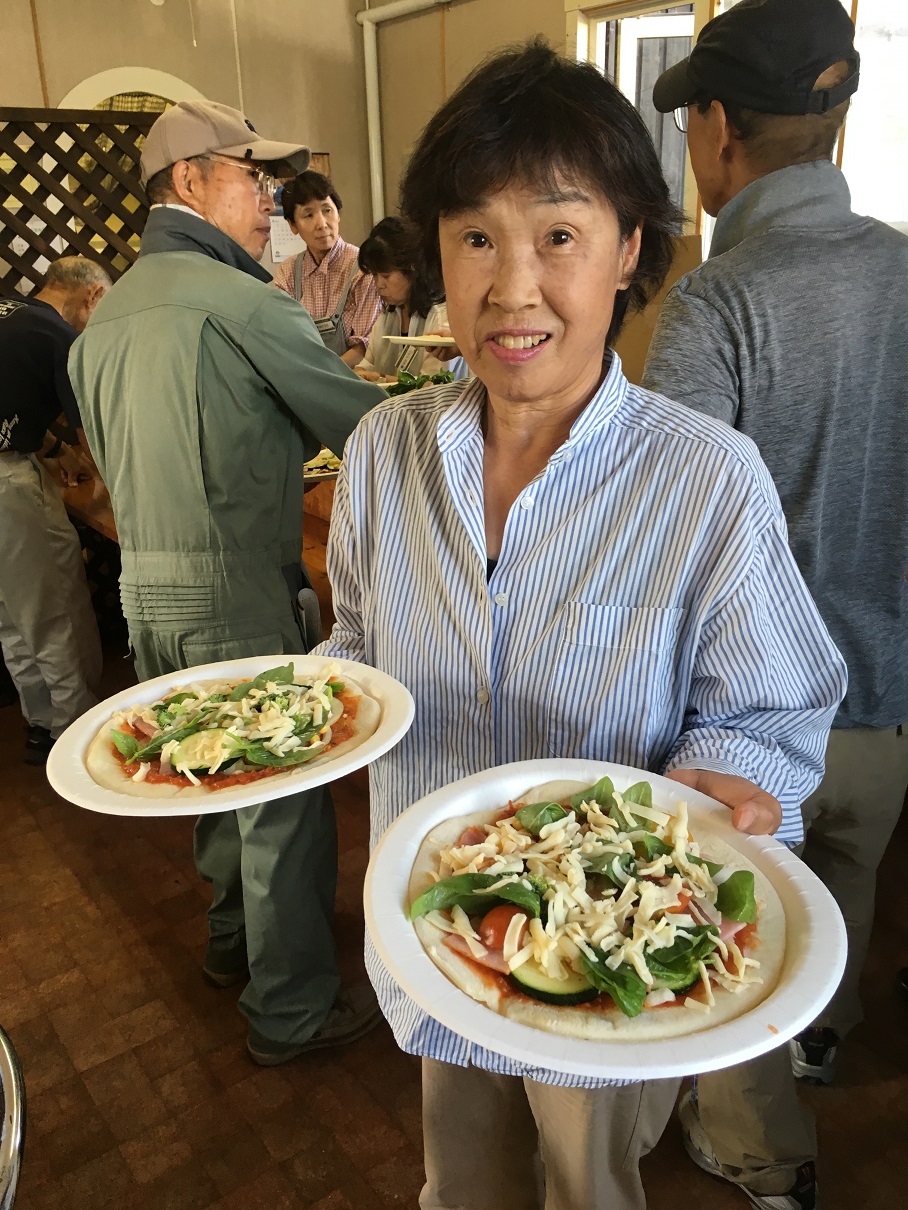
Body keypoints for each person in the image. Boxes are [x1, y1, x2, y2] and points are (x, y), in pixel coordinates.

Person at [313, 41, 846, 1210]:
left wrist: (731, 773)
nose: (511, 288)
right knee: (460, 1184)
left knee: (588, 1189)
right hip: (434, 930)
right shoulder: (383, 449)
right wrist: (311, 714)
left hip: (604, 957)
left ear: (629, 248)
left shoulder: (705, 476)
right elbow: (356, 650)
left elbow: (768, 715)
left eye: (556, 233)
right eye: (475, 237)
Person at [643, 0, 907, 1202]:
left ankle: (761, 1157)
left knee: (739, 953)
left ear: (715, 127)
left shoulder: (715, 301)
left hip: (758, 742)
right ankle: (823, 1037)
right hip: (887, 709)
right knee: (836, 905)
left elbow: (671, 540)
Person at [69, 100, 387, 1064]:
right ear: (189, 181)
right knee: (282, 806)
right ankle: (290, 1009)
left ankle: (229, 943)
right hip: (236, 591)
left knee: (201, 777)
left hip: (143, 592)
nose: (272, 202)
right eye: (253, 178)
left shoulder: (103, 317)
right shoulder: (245, 303)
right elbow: (370, 431)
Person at [0, 256, 109, 764]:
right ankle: (75, 735)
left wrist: (52, 448)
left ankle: (41, 723)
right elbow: (94, 436)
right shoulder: (61, 340)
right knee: (54, 608)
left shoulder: (13, 315)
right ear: (92, 296)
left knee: (12, 613)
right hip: (8, 484)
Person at [272, 170, 382, 366]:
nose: (322, 224)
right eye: (308, 215)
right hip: (304, 375)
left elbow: (364, 346)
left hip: (354, 378)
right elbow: (283, 340)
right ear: (292, 225)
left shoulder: (362, 267)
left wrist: (325, 377)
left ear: (338, 214)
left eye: (327, 210)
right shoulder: (287, 273)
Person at [354, 216, 460, 381]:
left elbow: (434, 384)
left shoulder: (441, 315)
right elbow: (368, 364)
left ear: (412, 269)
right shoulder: (389, 313)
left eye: (386, 276)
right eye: (375, 274)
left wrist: (380, 378)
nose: (379, 284)